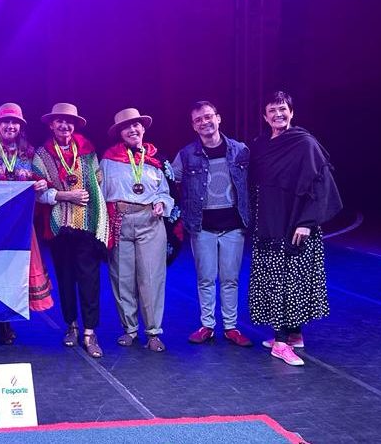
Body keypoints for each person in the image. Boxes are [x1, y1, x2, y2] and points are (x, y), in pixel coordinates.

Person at [249, 91, 341, 366]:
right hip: (269, 220)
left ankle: (280, 342)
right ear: (264, 116)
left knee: (290, 280)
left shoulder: (304, 143)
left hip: (297, 223)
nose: (278, 114)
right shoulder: (261, 145)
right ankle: (293, 335)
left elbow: (321, 184)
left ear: (292, 112)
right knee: (275, 277)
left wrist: (307, 222)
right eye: (272, 110)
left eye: (283, 109)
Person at [171, 101, 253, 347]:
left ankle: (231, 328)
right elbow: (169, 179)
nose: (205, 122)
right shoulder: (186, 155)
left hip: (233, 226)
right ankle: (207, 325)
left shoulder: (240, 151)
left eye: (208, 117)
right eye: (198, 120)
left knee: (230, 279)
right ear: (194, 126)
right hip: (202, 226)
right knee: (205, 278)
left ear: (219, 118)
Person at [32, 103, 109, 357]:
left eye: (69, 122)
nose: (64, 125)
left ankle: (90, 331)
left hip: (86, 225)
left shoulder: (87, 150)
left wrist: (100, 220)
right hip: (58, 227)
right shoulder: (41, 155)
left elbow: (97, 184)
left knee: (89, 279)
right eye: (59, 121)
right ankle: (71, 326)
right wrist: (67, 195)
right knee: (65, 279)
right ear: (51, 125)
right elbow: (40, 194)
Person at [0, 103, 53, 345]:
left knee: (15, 271)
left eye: (15, 123)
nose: (10, 126)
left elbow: (41, 179)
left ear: (20, 127)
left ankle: (7, 318)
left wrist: (42, 184)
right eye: (5, 122)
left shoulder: (30, 153)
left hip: (18, 225)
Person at [100, 108, 174, 353]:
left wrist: (163, 202)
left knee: (152, 279)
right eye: (127, 127)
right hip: (120, 221)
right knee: (122, 278)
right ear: (120, 133)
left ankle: (153, 332)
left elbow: (166, 190)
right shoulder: (108, 160)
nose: (132, 130)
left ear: (143, 129)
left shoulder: (155, 159)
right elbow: (99, 194)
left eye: (136, 126)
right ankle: (129, 329)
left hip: (150, 223)